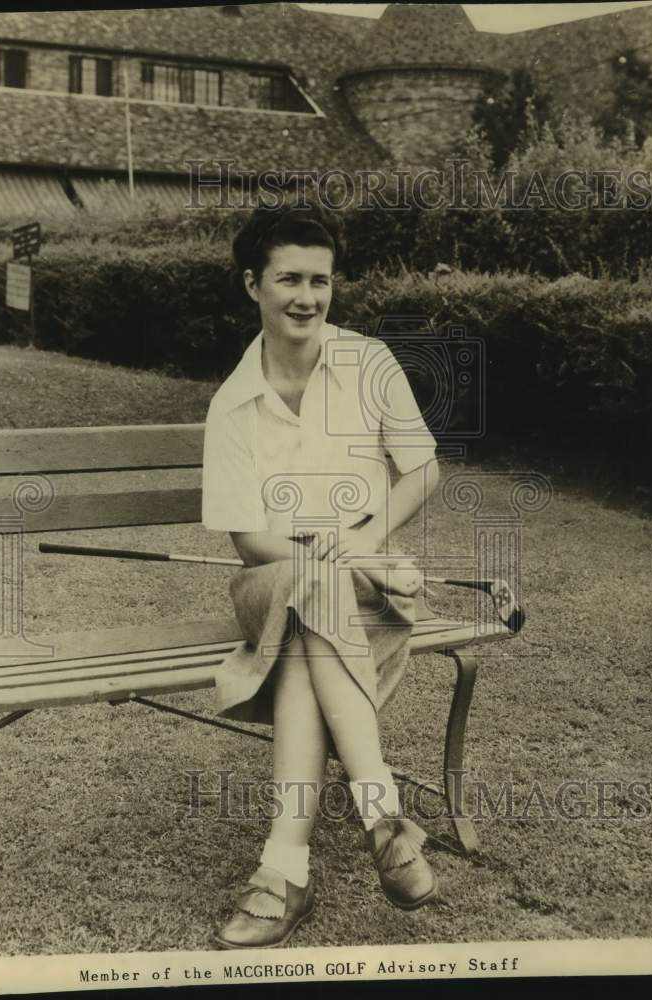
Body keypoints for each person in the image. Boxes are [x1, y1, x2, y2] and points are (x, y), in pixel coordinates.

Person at [201, 201, 441, 950]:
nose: (307, 296)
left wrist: (361, 539)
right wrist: (319, 559)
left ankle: (285, 869)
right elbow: (247, 539)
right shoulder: (232, 406)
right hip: (271, 584)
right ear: (253, 286)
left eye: (320, 280)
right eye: (288, 280)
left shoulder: (366, 362)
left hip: (367, 582)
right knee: (314, 588)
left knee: (322, 608)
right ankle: (381, 813)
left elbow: (422, 468)